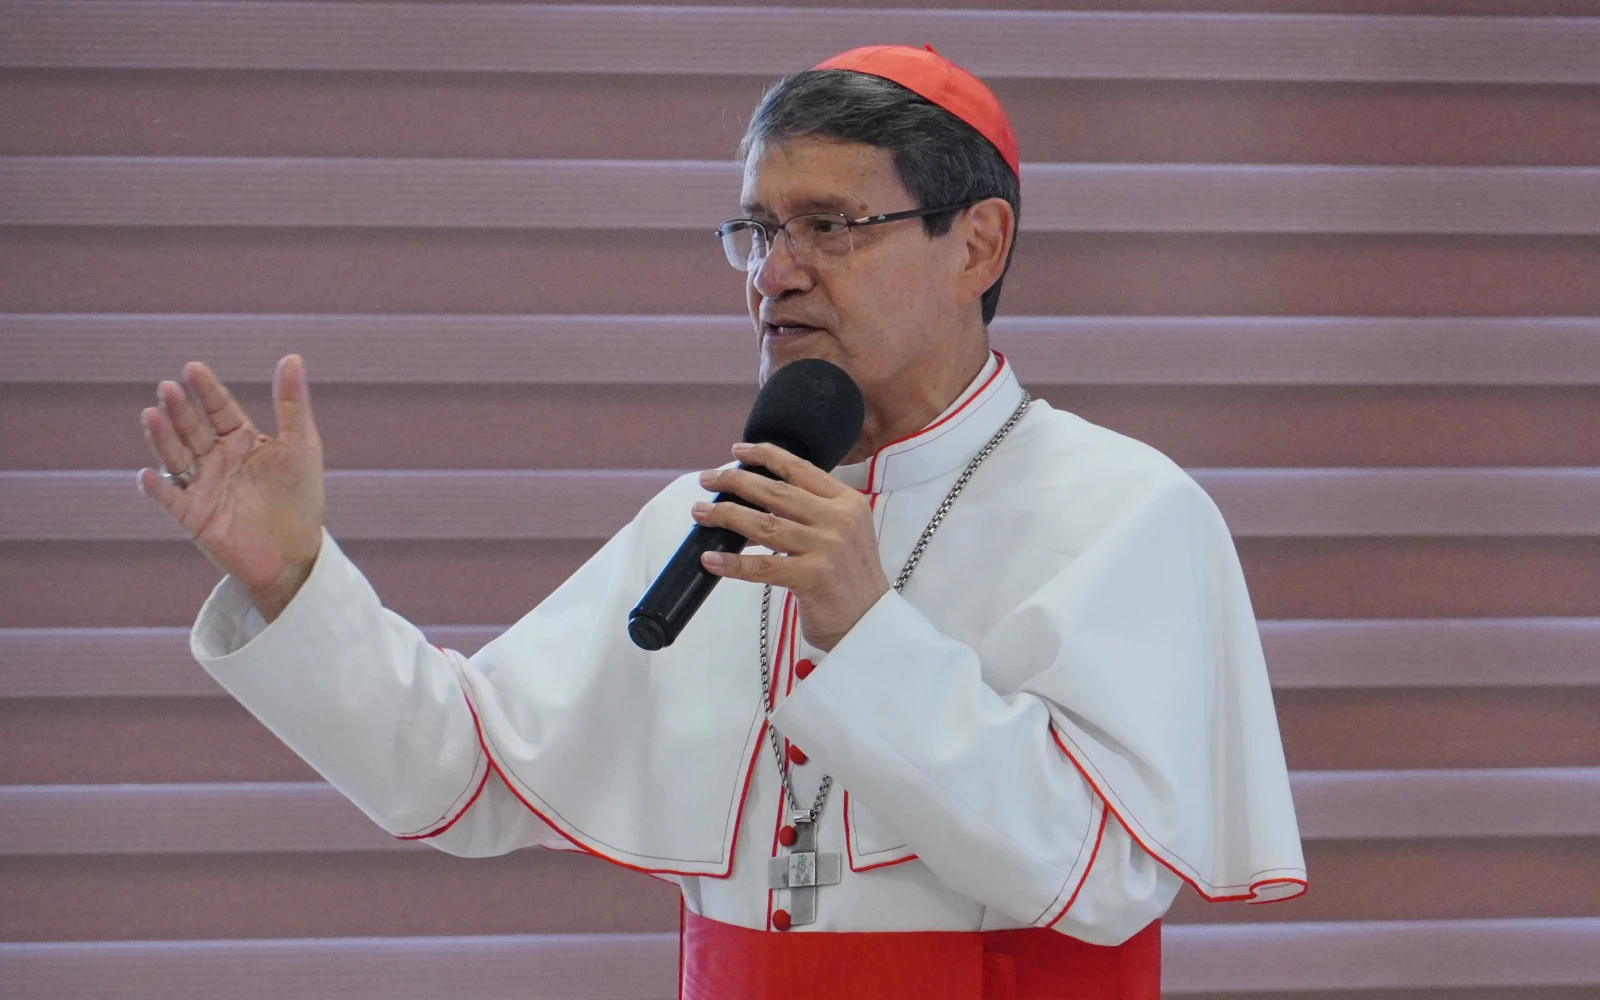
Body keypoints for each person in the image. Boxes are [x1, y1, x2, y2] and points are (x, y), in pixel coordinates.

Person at [135, 45, 1304, 1000]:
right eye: (756, 229)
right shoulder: (702, 517)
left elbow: (1099, 876)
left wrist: (867, 627)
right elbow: (459, 772)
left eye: (829, 226)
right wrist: (293, 579)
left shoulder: (1127, 511)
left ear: (977, 244)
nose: (773, 274)